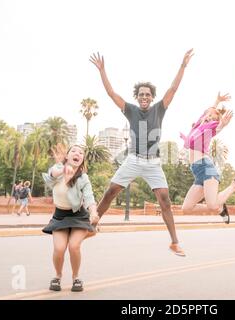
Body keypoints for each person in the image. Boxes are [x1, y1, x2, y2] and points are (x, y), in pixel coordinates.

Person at [89, 49, 194, 257]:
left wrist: (182, 65)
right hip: (133, 160)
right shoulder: (130, 110)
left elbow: (173, 88)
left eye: (147, 94)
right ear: (136, 97)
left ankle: (174, 242)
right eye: (141, 94)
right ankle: (92, 224)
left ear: (152, 97)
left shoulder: (159, 109)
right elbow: (111, 93)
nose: (144, 97)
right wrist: (102, 71)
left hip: (153, 163)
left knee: (165, 200)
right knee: (110, 192)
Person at [42, 144, 100, 292]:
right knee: (59, 249)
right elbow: (51, 175)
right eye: (73, 151)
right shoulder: (58, 170)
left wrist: (93, 212)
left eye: (81, 153)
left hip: (78, 217)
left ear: (82, 160)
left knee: (74, 246)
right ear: (67, 156)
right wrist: (63, 170)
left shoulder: (83, 178)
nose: (77, 154)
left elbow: (89, 197)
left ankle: (76, 278)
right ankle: (57, 276)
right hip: (60, 216)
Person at [180, 92, 235, 223]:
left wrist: (222, 124)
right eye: (207, 114)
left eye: (211, 116)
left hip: (206, 168)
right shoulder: (198, 125)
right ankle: (220, 209)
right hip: (198, 173)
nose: (207, 116)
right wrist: (217, 101)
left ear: (214, 121)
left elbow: (217, 127)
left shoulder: (208, 129)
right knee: (186, 208)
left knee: (212, 205)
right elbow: (208, 112)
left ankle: (234, 186)